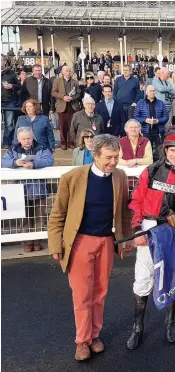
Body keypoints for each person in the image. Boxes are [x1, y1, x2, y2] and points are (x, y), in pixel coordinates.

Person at [48, 134, 132, 361]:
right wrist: (56, 244)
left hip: (106, 241)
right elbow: (57, 215)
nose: (113, 162)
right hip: (80, 242)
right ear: (94, 155)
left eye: (116, 157)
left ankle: (95, 336)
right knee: (82, 295)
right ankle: (82, 341)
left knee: (100, 293)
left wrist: (126, 238)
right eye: (108, 157)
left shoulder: (120, 177)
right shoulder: (72, 177)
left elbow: (124, 212)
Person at [126, 129, 175, 350]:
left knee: (171, 276)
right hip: (149, 228)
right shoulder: (150, 171)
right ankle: (137, 327)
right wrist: (136, 229)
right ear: (166, 150)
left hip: (173, 231)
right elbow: (136, 201)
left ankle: (170, 323)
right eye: (173, 150)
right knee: (143, 278)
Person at [2, 127, 54, 252]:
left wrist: (34, 164)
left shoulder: (42, 147)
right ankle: (27, 242)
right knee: (24, 217)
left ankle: (37, 241)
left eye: (29, 138)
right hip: (20, 190)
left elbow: (49, 160)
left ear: (32, 137)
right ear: (19, 139)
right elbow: (3, 161)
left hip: (39, 189)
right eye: (24, 139)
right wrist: (15, 162)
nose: (27, 141)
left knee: (38, 217)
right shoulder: (13, 149)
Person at [52, 65, 81, 150]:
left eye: (69, 71)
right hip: (61, 105)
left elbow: (78, 93)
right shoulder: (57, 81)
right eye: (67, 71)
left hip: (72, 106)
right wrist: (63, 97)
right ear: (62, 72)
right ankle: (63, 143)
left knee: (71, 125)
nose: (68, 72)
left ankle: (71, 142)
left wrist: (72, 98)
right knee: (62, 125)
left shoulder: (75, 82)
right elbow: (53, 92)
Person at [133, 84, 169, 149]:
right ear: (146, 92)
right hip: (145, 131)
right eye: (150, 91)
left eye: (154, 91)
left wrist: (158, 121)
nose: (153, 92)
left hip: (159, 131)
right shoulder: (140, 103)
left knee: (160, 151)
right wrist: (145, 120)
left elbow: (166, 117)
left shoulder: (160, 103)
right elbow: (135, 117)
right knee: (147, 151)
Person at [1, 55, 21, 148]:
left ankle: (6, 143)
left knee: (9, 124)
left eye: (0, 60)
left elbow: (19, 86)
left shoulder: (11, 73)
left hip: (8, 101)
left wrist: (12, 86)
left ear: (5, 62)